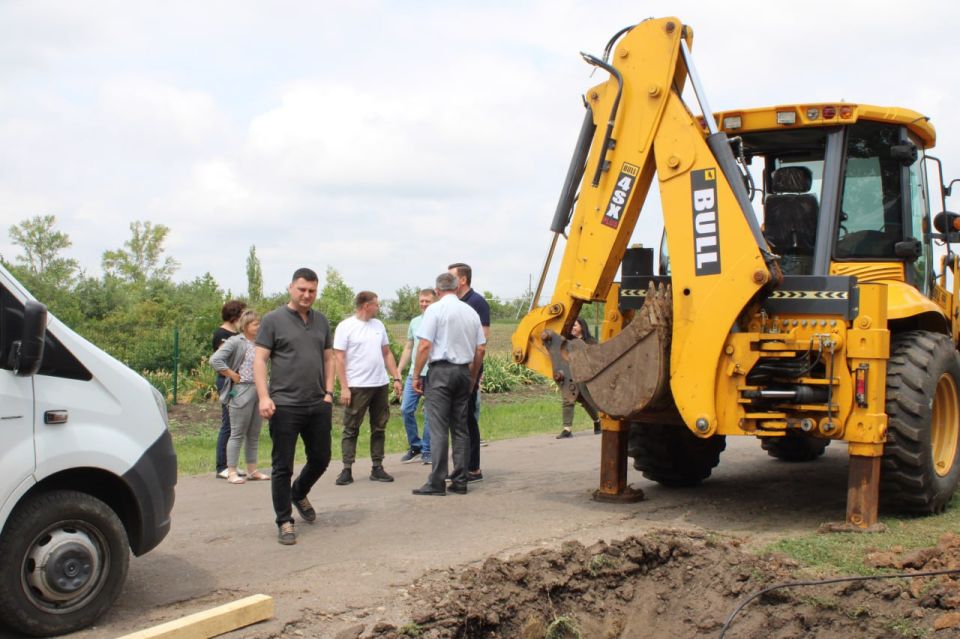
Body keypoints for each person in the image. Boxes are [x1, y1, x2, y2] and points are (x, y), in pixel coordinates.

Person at [254, 268, 335, 546]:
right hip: (285, 405)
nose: (306, 295)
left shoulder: (321, 321)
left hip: (317, 402)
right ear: (291, 288)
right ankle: (284, 520)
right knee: (282, 466)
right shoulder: (273, 320)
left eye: (312, 290)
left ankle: (298, 492)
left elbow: (329, 358)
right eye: (302, 289)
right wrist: (264, 397)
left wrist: (329, 392)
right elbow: (260, 360)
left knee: (321, 458)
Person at [411, 272, 486, 496]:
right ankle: (461, 480)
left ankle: (437, 481)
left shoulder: (434, 310)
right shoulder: (470, 312)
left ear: (437, 291)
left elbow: (425, 345)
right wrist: (472, 376)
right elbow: (481, 349)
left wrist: (416, 374)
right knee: (460, 428)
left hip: (441, 372)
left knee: (439, 428)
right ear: (456, 287)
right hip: (463, 372)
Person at [333, 291, 403, 486]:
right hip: (357, 386)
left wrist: (396, 377)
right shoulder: (346, 327)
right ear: (366, 306)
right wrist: (344, 387)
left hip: (380, 384)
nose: (378, 308)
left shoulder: (378, 325)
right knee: (351, 428)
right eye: (376, 304)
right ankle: (347, 469)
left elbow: (386, 353)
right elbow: (339, 358)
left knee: (379, 426)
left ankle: (377, 467)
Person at [210, 309, 270, 483]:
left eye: (259, 323)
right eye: (255, 324)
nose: (259, 327)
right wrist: (231, 374)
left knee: (254, 433)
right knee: (237, 432)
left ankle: (252, 470)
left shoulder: (261, 343)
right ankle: (232, 471)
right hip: (242, 389)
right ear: (245, 325)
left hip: (259, 389)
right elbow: (215, 360)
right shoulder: (236, 341)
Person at [448, 263, 490, 483]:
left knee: (468, 419)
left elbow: (481, 342)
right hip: (454, 369)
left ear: (462, 280)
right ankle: (461, 466)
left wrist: (473, 374)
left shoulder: (477, 303)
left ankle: (473, 468)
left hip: (468, 369)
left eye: (451, 277)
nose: (448, 280)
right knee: (458, 420)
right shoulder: (455, 303)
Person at [397, 288, 437, 464]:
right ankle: (415, 446)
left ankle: (427, 449)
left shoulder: (438, 320)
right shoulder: (414, 322)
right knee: (406, 409)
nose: (424, 304)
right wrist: (399, 369)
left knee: (430, 412)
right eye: (422, 301)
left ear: (434, 302)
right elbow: (409, 347)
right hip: (414, 373)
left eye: (427, 301)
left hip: (432, 373)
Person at [213, 299, 246, 479]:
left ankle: (231, 464)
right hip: (227, 382)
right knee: (228, 423)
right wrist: (232, 375)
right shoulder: (222, 334)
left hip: (239, 382)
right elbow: (221, 360)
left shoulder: (238, 334)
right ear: (235, 315)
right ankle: (222, 466)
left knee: (236, 425)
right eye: (243, 314)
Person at [556, 317, 602, 439]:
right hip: (570, 375)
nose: (572, 328)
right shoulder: (567, 342)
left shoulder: (591, 342)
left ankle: (597, 421)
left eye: (575, 325)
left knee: (586, 401)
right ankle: (567, 429)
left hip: (584, 376)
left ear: (582, 327)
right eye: (571, 326)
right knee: (568, 399)